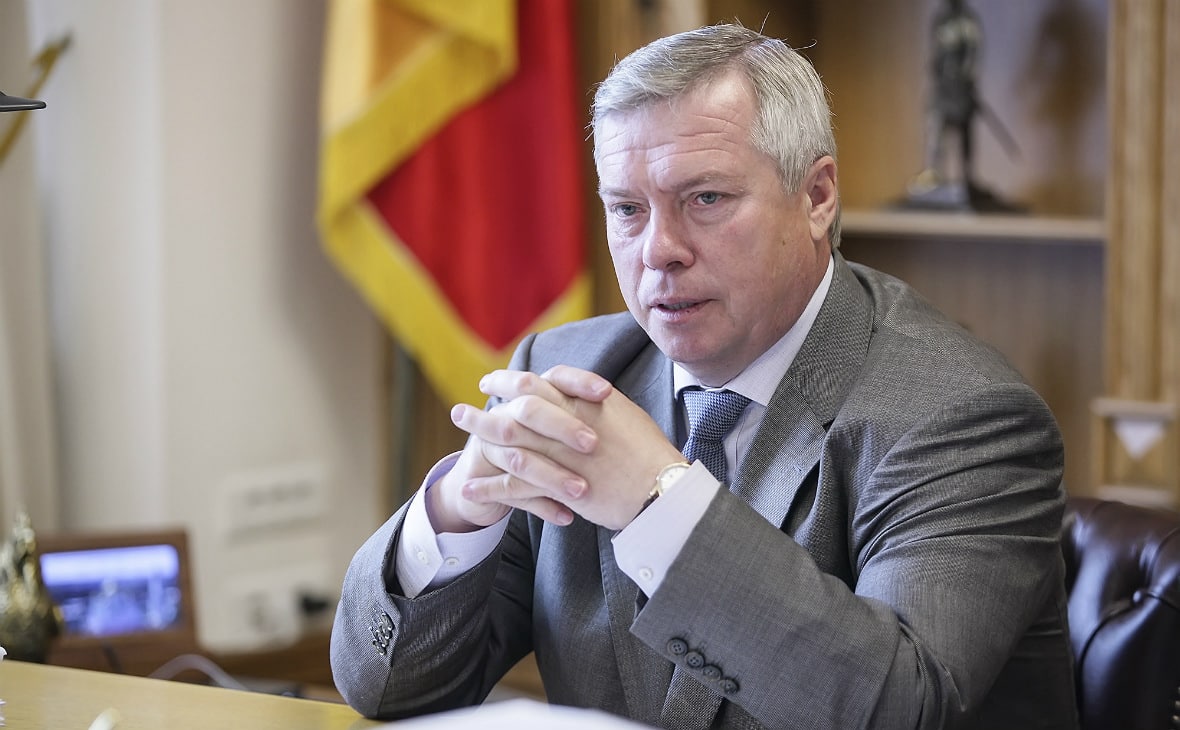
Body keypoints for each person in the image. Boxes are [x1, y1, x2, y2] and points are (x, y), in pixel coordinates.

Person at [330, 24, 1077, 729]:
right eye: (627, 209)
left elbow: (899, 711)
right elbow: (389, 688)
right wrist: (459, 510)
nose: (660, 250)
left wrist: (657, 503)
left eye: (706, 199)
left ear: (817, 198)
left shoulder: (963, 415)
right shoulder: (574, 377)